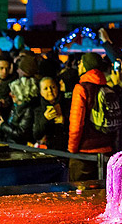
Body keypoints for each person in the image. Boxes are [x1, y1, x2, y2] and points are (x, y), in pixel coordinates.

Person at [67, 52, 117, 180]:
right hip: (106, 149)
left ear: (85, 66)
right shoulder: (107, 88)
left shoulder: (81, 88)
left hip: (85, 152)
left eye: (81, 63)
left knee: (78, 193)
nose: (78, 65)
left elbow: (76, 123)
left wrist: (72, 150)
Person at [33, 75, 69, 150]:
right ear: (41, 92)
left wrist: (64, 121)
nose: (50, 90)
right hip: (49, 150)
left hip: (67, 147)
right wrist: (44, 119)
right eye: (45, 88)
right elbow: (37, 135)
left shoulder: (67, 104)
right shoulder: (38, 109)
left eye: (52, 87)